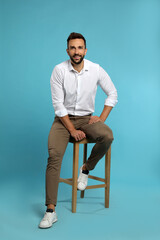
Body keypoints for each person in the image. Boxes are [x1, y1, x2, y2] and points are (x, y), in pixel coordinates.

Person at [39, 32, 118, 228]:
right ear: (67, 50)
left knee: (107, 135)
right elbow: (58, 105)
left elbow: (112, 94)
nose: (76, 51)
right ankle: (50, 210)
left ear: (85, 50)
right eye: (72, 48)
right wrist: (72, 129)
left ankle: (86, 168)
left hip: (85, 119)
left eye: (80, 48)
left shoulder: (96, 69)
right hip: (62, 121)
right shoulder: (59, 70)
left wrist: (101, 118)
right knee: (54, 156)